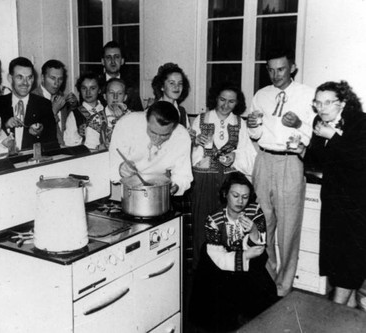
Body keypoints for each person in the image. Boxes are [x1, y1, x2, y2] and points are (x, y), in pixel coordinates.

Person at [246, 48, 315, 297]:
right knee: (263, 223)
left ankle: (283, 287)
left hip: (291, 161)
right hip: (264, 160)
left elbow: (315, 135)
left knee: (288, 229)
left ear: (293, 68)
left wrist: (298, 124)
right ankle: (268, 274)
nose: (276, 75)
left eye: (281, 69)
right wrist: (252, 127)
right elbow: (255, 134)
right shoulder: (261, 95)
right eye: (271, 70)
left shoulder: (307, 95)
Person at [189, 172, 277, 332]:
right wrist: (244, 256)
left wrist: (254, 231)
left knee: (265, 294)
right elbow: (218, 257)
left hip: (249, 258)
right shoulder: (214, 219)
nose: (240, 201)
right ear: (225, 194)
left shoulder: (255, 211)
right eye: (235, 195)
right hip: (223, 262)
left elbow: (261, 246)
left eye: (245, 197)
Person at [304, 81, 366, 307]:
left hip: (357, 205)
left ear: (343, 102)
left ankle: (334, 311)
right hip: (332, 203)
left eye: (327, 102)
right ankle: (345, 319)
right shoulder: (318, 122)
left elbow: (360, 161)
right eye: (317, 103)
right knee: (337, 261)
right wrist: (302, 150)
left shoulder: (360, 123)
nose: (321, 108)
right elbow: (316, 161)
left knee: (350, 262)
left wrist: (334, 137)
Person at [189, 82, 256, 268]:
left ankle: (227, 268)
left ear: (237, 104)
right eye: (222, 100)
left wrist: (234, 156)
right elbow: (190, 154)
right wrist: (197, 143)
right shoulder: (201, 119)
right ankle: (202, 270)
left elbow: (250, 156)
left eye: (231, 102)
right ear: (215, 98)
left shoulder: (240, 123)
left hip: (229, 183)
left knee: (228, 226)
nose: (226, 105)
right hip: (204, 181)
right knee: (203, 225)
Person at [109, 101, 193, 196]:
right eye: (153, 132)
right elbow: (112, 167)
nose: (157, 140)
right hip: (124, 192)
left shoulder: (181, 135)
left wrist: (174, 187)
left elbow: (183, 175)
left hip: (160, 192)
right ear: (146, 120)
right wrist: (121, 169)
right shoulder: (127, 124)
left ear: (174, 128)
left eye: (164, 135)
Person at [0, 57, 59, 151]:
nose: (25, 83)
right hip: (5, 162)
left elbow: (53, 144)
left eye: (29, 77)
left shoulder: (44, 104)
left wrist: (39, 133)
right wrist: (5, 125)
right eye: (20, 77)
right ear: (10, 78)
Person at [32, 59, 78, 146]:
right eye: (52, 78)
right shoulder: (33, 98)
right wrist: (53, 110)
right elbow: (36, 132)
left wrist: (72, 107)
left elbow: (63, 126)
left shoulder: (60, 95)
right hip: (46, 150)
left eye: (60, 79)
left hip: (64, 148)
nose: (56, 83)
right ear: (42, 77)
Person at [64, 72, 105, 149]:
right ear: (80, 90)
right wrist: (78, 134)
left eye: (92, 88)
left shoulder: (106, 110)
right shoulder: (74, 115)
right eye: (84, 88)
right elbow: (68, 142)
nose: (88, 92)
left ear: (99, 90)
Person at [99, 41, 144, 111]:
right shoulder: (96, 85)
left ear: (122, 61)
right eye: (108, 57)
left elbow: (138, 112)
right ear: (102, 61)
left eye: (116, 57)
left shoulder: (130, 86)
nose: (113, 61)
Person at [151, 62, 191, 128]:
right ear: (162, 86)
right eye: (172, 83)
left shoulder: (182, 112)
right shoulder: (153, 111)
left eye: (180, 83)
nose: (177, 87)